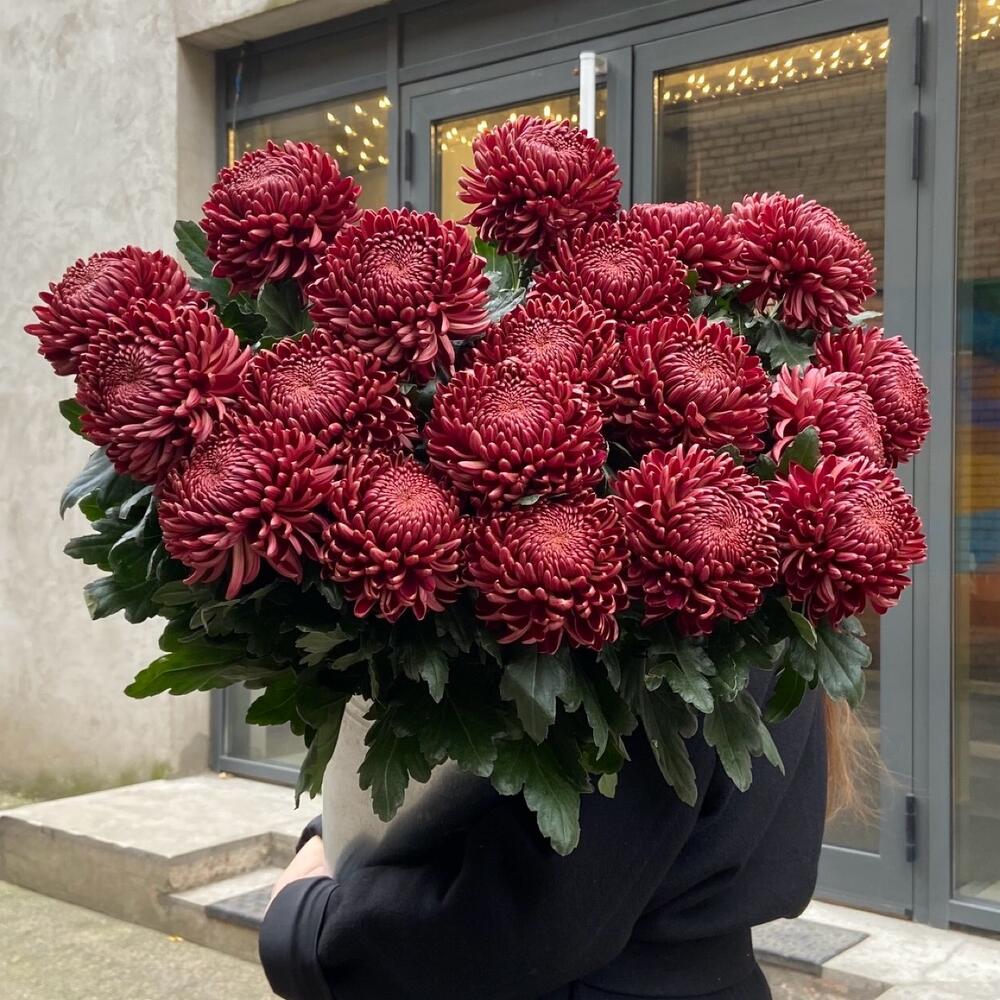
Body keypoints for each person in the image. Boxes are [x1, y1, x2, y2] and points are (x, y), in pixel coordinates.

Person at [259, 668, 861, 1000]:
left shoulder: (670, 591)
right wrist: (336, 832)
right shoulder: (766, 552)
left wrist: (307, 925)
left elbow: (531, 917)